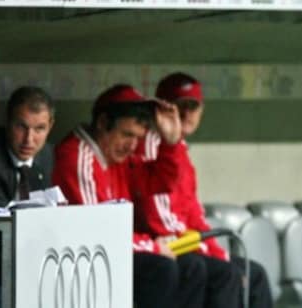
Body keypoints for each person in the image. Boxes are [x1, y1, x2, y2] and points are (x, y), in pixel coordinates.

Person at [52, 84, 210, 308]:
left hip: (114, 248)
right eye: (126, 134)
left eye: (138, 138)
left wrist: (170, 144)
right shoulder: (78, 156)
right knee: (162, 269)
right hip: (84, 257)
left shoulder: (117, 156)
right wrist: (152, 246)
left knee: (192, 268)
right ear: (103, 123)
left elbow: (159, 182)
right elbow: (99, 231)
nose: (132, 146)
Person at [134, 72, 273, 308]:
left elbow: (193, 213)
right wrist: (207, 250)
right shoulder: (154, 143)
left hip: (188, 242)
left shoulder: (180, 148)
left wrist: (215, 251)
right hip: (168, 245)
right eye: (180, 106)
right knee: (225, 275)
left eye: (193, 106)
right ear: (164, 110)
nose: (187, 114)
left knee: (255, 274)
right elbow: (160, 218)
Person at [0, 86, 55, 207]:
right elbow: (0, 216)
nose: (29, 139)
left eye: (39, 129)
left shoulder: (48, 155)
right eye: (21, 127)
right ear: (7, 121)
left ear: (50, 126)